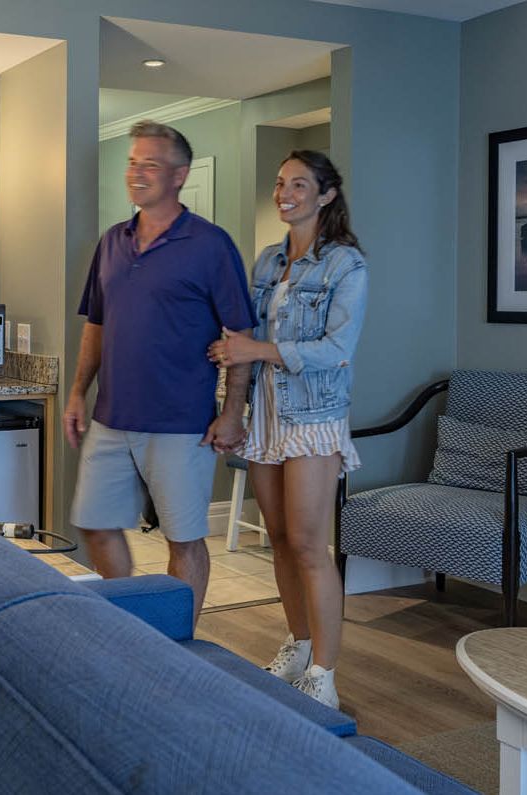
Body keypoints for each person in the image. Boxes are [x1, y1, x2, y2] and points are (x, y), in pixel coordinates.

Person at [65, 120, 257, 618]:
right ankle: (131, 618)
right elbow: (96, 324)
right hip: (111, 417)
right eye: (132, 162)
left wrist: (232, 412)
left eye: (150, 163)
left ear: (179, 175)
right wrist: (76, 393)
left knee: (184, 539)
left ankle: (182, 644)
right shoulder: (112, 241)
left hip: (180, 422)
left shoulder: (211, 245)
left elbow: (240, 336)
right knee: (94, 523)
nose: (137, 172)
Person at [206, 150, 367, 708]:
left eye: (299, 184)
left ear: (325, 195)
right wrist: (233, 376)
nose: (285, 193)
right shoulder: (267, 262)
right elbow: (243, 338)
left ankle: (324, 671)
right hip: (265, 417)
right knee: (277, 540)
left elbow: (337, 351)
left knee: (307, 544)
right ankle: (298, 644)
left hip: (314, 418)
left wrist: (257, 348)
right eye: (280, 184)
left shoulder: (346, 265)